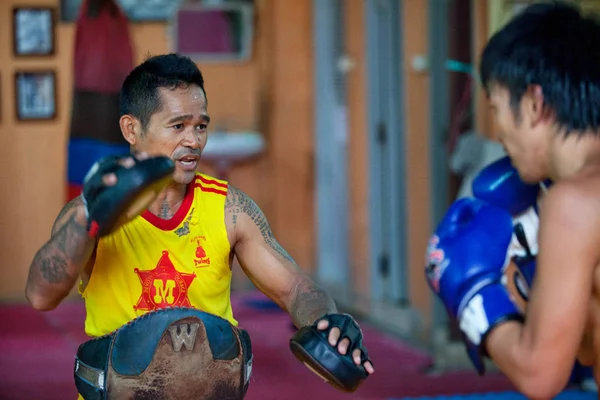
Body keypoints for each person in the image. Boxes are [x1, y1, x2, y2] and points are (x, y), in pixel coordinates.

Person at [24, 53, 374, 398]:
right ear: (132, 128)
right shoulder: (89, 213)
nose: (193, 141)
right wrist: (90, 218)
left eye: (201, 126)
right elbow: (41, 296)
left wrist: (328, 321)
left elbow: (295, 289)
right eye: (178, 126)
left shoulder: (229, 209)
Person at [426, 2, 600, 399]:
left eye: (496, 109)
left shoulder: (573, 202)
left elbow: (541, 375)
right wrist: (526, 288)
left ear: (534, 104)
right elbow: (588, 349)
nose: (499, 133)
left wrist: (475, 295)